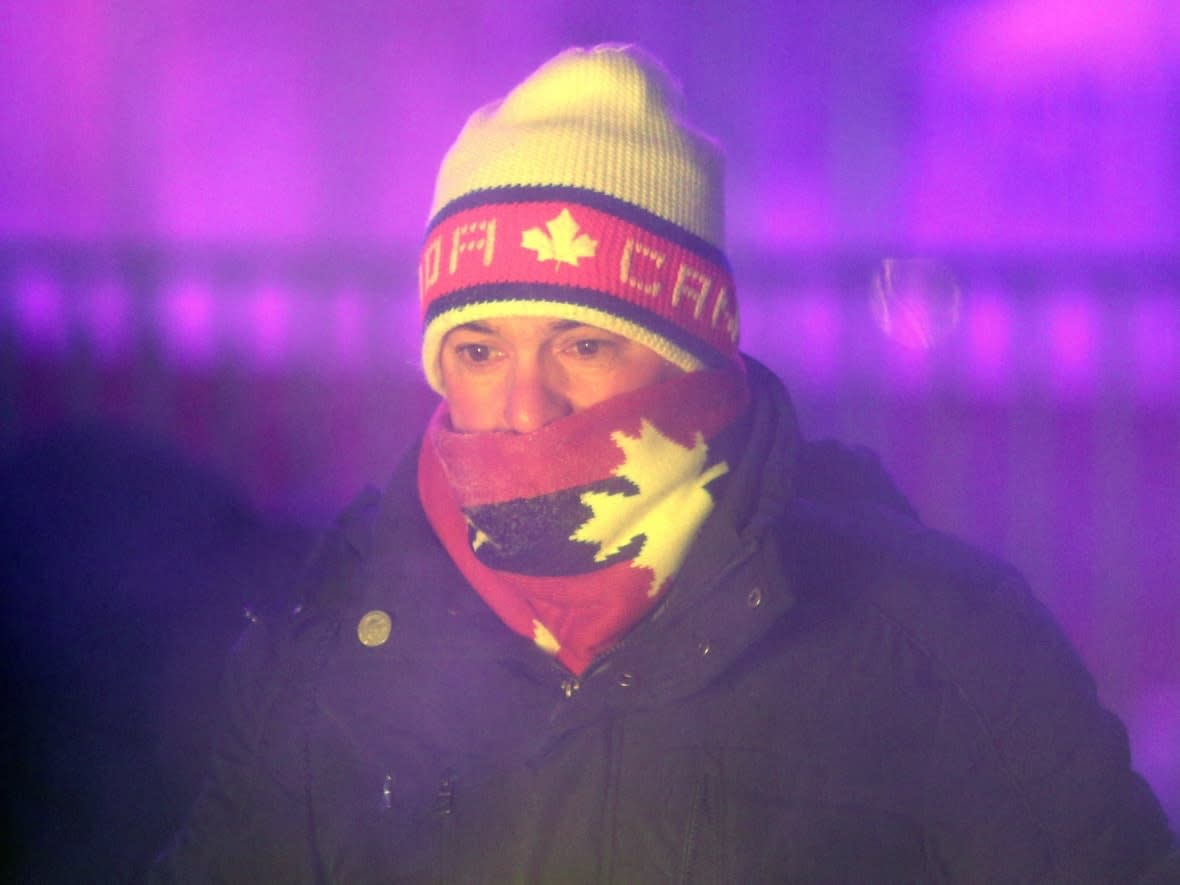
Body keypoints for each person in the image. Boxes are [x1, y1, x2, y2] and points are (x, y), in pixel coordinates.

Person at [151, 45, 1179, 883]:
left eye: (584, 343)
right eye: (478, 349)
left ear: (695, 355)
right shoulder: (328, 653)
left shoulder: (938, 647)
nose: (522, 405)